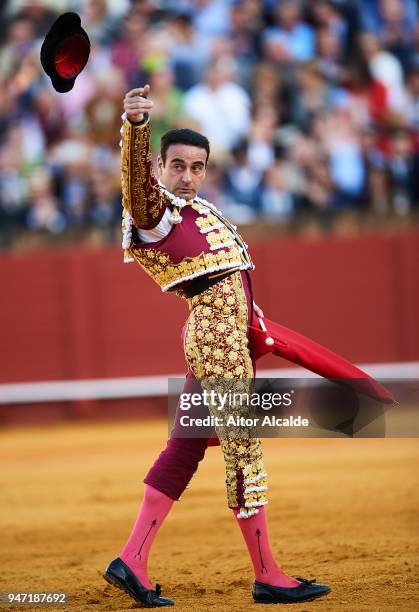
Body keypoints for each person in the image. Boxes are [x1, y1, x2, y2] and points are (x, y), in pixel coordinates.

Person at [102, 84, 332, 607]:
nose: (187, 176)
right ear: (160, 167)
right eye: (177, 166)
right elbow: (135, 188)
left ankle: (131, 561)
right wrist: (136, 128)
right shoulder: (155, 215)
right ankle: (268, 574)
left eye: (197, 166)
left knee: (184, 449)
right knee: (244, 452)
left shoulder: (200, 212)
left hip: (227, 339)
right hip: (217, 342)